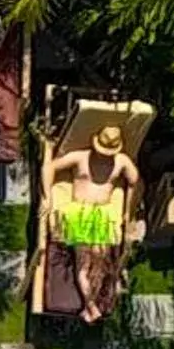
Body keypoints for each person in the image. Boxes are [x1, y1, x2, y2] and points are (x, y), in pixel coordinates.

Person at [46, 123, 141, 323]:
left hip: (103, 214)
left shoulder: (121, 161)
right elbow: (51, 167)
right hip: (79, 213)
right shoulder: (81, 157)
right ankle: (91, 306)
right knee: (83, 265)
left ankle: (93, 306)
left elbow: (134, 181)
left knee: (99, 263)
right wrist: (48, 197)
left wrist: (127, 210)